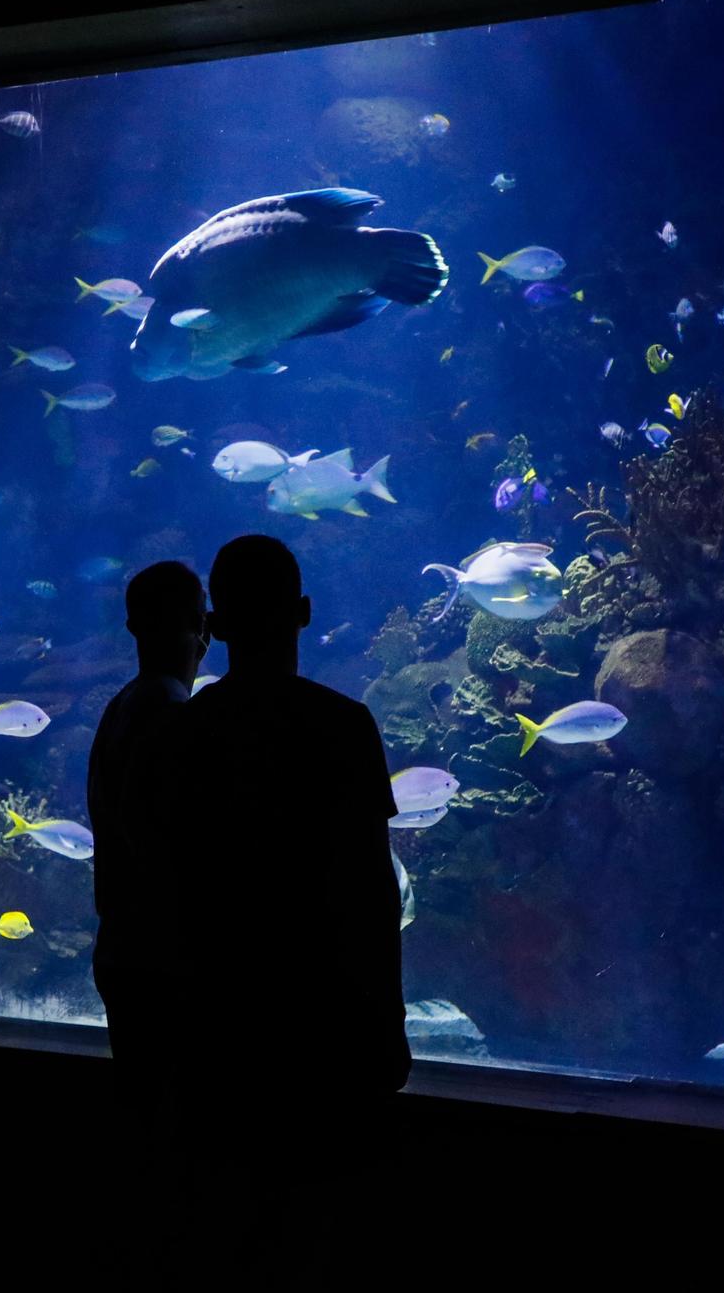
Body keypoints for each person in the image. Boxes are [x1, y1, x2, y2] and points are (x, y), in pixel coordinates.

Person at [150, 534, 409, 1284]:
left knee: (220, 1239)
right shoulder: (345, 724)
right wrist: (386, 1023)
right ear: (303, 612)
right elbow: (371, 889)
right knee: (319, 1238)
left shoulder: (184, 731)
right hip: (325, 1033)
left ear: (216, 626)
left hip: (215, 1031)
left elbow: (165, 882)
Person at [88, 561, 208, 1110]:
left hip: (122, 947)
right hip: (161, 962)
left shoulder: (124, 704)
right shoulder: (171, 711)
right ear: (200, 627)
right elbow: (160, 842)